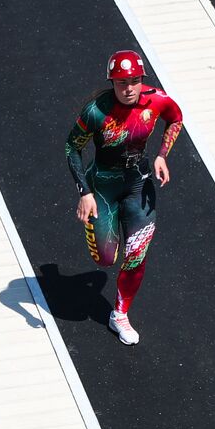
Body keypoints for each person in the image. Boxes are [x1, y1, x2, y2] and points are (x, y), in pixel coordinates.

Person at [64, 50, 183, 345]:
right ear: (112, 83)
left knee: (136, 254)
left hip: (139, 185)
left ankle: (119, 314)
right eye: (120, 82)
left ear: (141, 79)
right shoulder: (96, 111)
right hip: (102, 186)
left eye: (133, 81)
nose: (128, 88)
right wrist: (85, 192)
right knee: (106, 259)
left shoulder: (157, 100)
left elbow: (176, 118)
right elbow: (71, 148)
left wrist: (162, 155)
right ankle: (96, 226)